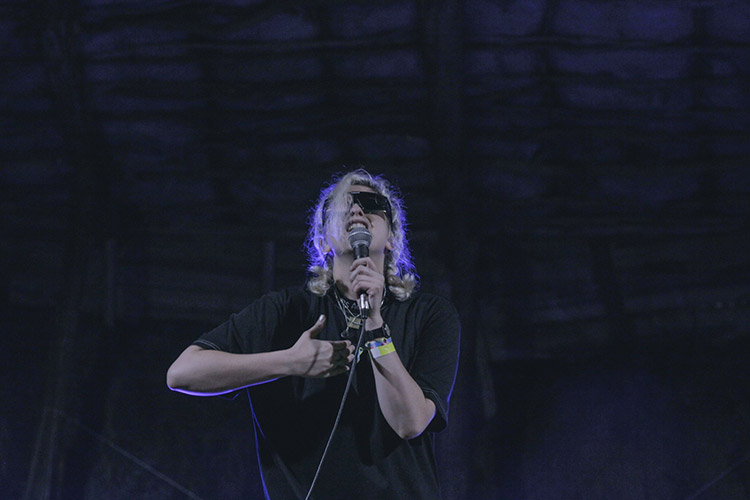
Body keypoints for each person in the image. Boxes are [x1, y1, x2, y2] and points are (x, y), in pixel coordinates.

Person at [167, 169, 460, 499]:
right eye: (342, 206)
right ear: (322, 241)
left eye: (371, 204)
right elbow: (182, 373)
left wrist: (376, 324)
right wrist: (289, 362)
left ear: (392, 236)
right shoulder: (286, 310)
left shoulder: (431, 315)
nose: (356, 210)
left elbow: (410, 423)